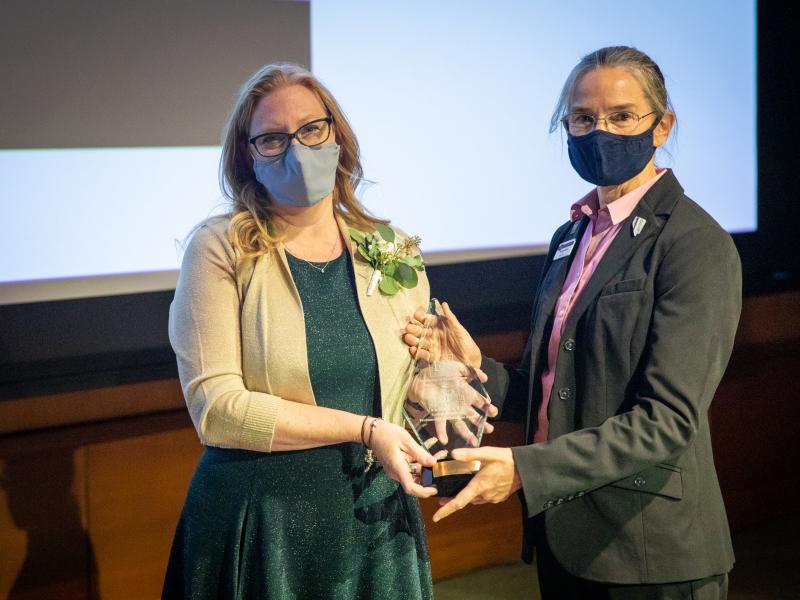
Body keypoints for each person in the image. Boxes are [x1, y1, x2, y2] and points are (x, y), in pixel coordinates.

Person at [405, 46, 741, 599]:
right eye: (583, 119)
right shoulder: (571, 238)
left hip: (649, 555)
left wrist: (524, 472)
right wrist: (474, 366)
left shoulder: (694, 243)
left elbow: (666, 421)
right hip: (564, 540)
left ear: (663, 126)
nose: (599, 131)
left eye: (621, 116)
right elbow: (554, 390)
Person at [162, 63, 439, 600]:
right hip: (266, 519)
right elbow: (216, 410)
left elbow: (410, 394)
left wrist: (452, 366)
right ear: (247, 155)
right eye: (272, 139)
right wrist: (363, 430)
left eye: (312, 129)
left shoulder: (390, 246)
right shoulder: (221, 248)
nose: (297, 149)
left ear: (336, 134)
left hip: (375, 516)